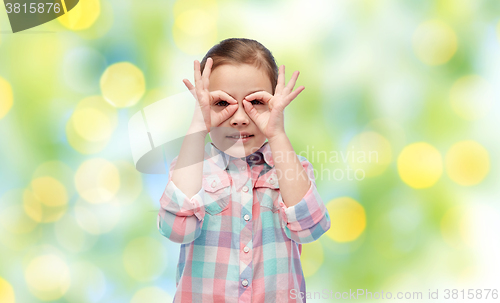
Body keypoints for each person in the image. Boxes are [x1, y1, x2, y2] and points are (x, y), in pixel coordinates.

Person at [157, 38, 331, 303]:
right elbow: (176, 230)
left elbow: (311, 227)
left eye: (257, 102)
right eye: (221, 103)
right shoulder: (190, 170)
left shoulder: (292, 168)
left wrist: (277, 133)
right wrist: (198, 127)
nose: (239, 118)